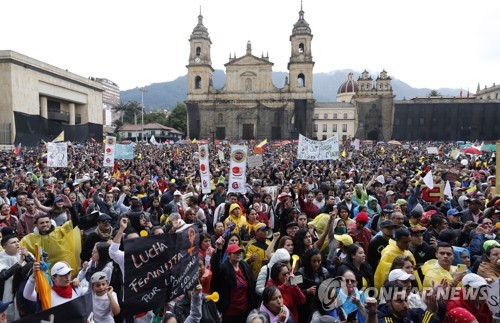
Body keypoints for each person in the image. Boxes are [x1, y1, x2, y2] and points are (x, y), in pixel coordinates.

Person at [20, 197, 80, 272]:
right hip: (45, 270)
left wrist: (70, 208)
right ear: (36, 225)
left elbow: (75, 222)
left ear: (50, 222)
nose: (45, 224)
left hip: (63, 265)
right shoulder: (30, 238)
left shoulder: (59, 231)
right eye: (42, 223)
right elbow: (20, 249)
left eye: (47, 222)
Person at [211, 243, 256, 323]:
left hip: (244, 310)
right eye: (235, 252)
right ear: (228, 255)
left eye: (239, 252)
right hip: (230, 312)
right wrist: (218, 250)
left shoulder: (244, 266)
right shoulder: (224, 268)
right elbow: (215, 268)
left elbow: (251, 284)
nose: (238, 254)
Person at [0, 235, 32, 321]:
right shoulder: (1, 258)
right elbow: (3, 275)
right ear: (4, 247)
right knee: (10, 314)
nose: (17, 244)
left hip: (25, 288)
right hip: (8, 290)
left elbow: (34, 268)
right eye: (13, 242)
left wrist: (27, 257)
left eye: (18, 241)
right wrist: (19, 263)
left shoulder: (25, 253)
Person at [296, 248, 330, 322]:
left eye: (319, 261)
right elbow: (294, 292)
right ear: (308, 261)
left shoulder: (324, 272)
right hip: (305, 309)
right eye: (314, 261)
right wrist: (307, 291)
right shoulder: (300, 273)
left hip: (321, 307)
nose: (316, 264)